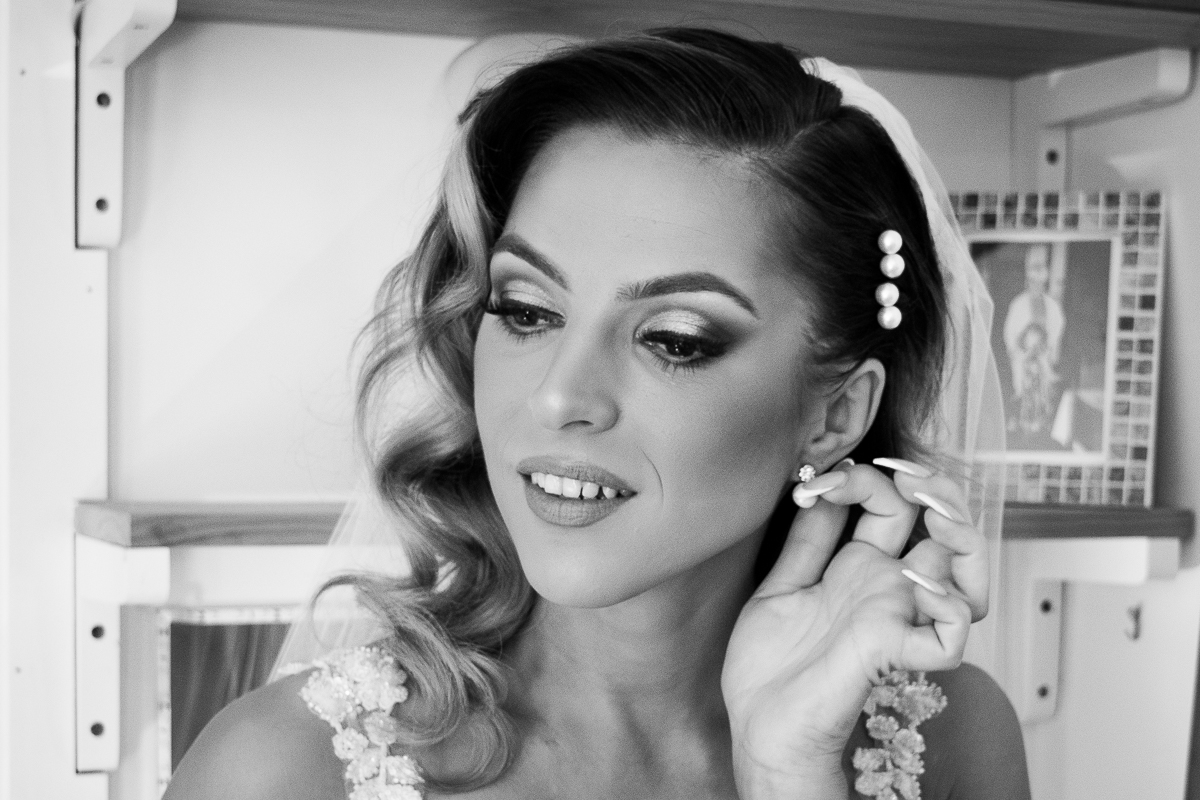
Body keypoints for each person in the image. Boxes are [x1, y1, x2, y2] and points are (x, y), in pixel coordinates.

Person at [165, 28, 1027, 800]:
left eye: (675, 340)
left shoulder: (946, 740)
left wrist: (789, 775)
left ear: (834, 414)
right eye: (528, 311)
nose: (558, 396)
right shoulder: (280, 770)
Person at [1003, 243, 1065, 445]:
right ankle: (1022, 432)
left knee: (1043, 398)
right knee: (1023, 397)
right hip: (1023, 362)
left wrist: (1044, 348)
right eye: (1032, 279)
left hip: (1042, 363)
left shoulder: (1052, 306)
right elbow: (1010, 335)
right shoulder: (1018, 304)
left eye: (1040, 279)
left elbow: (1057, 327)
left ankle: (1041, 433)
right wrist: (1023, 350)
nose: (1036, 284)